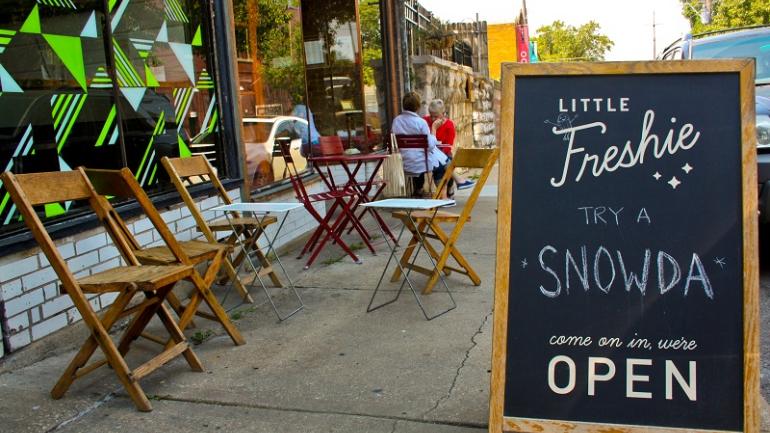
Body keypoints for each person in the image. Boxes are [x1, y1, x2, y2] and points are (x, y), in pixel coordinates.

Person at [391, 92, 452, 199]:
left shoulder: (396, 121)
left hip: (403, 162)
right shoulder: (421, 122)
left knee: (437, 159)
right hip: (421, 163)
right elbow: (431, 146)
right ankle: (443, 195)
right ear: (418, 107)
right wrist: (433, 129)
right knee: (441, 164)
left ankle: (418, 190)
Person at [423, 99, 475, 194]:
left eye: (436, 116)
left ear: (443, 113)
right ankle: (445, 192)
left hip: (444, 151)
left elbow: (449, 145)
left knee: (446, 161)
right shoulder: (425, 121)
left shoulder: (449, 125)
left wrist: (439, 152)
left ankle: (448, 188)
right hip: (429, 154)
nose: (433, 119)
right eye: (431, 116)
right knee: (443, 163)